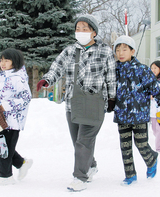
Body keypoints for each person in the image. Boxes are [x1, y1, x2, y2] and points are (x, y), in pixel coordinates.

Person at [36, 14, 116, 192]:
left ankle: (80, 177)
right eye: (78, 28)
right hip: (73, 103)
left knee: (83, 142)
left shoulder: (105, 51)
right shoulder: (70, 50)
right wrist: (47, 80)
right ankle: (91, 165)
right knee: (77, 141)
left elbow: (111, 76)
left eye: (84, 29)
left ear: (93, 32)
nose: (80, 32)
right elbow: (57, 67)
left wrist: (112, 98)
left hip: (95, 103)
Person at [112, 35, 160, 186]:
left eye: (124, 49)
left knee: (141, 143)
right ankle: (130, 175)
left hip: (139, 114)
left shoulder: (142, 69)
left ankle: (152, 159)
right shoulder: (114, 70)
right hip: (122, 114)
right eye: (117, 50)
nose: (121, 53)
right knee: (125, 147)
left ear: (132, 51)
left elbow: (155, 89)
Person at [0, 48, 32, 186]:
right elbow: (2, 95)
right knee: (0, 145)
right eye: (1, 60)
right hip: (1, 119)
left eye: (7, 60)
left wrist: (5, 106)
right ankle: (21, 163)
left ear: (15, 62)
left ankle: (5, 176)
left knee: (2, 148)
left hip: (12, 121)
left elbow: (26, 98)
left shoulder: (18, 78)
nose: (3, 63)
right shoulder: (4, 76)